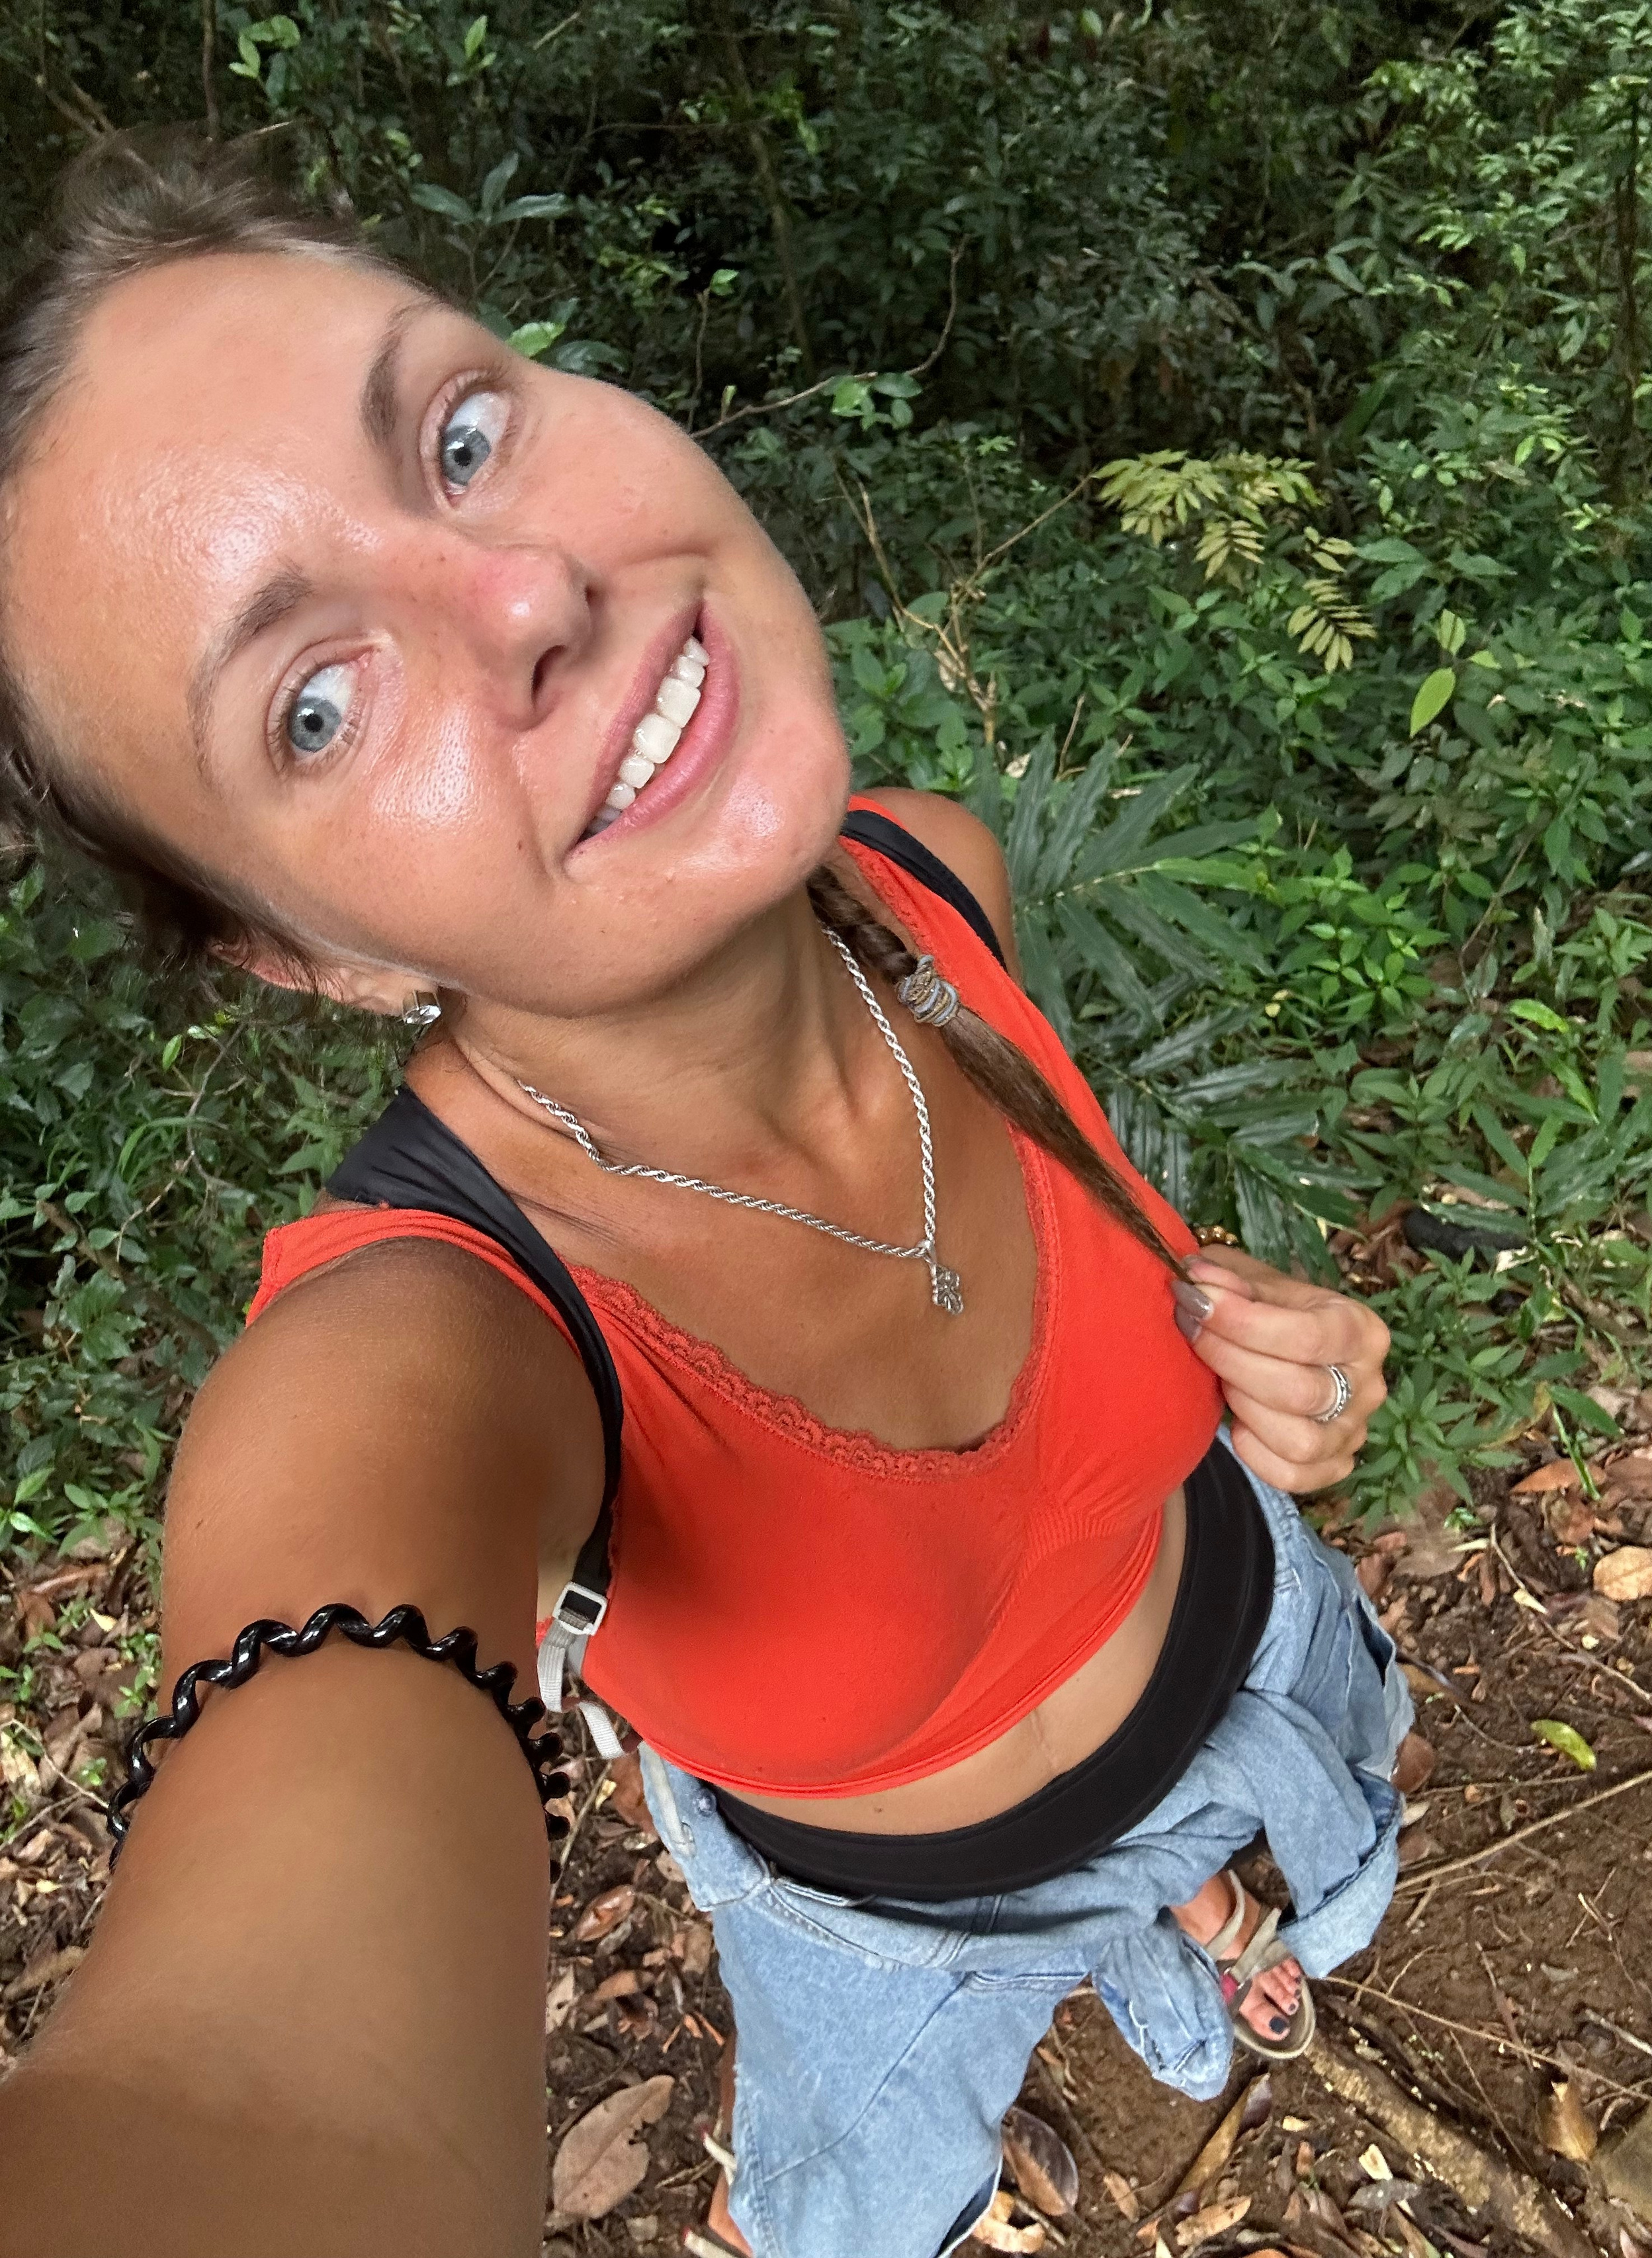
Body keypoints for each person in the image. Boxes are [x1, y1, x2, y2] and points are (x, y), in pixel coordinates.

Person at [0, 135, 1407, 2258]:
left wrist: (1256, 1356)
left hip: (1247, 1661)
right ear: (300, 952)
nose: (523, 600)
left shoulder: (933, 888)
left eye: (460, 438)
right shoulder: (428, 1359)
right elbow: (254, 2096)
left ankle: (1194, 1898)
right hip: (895, 1931)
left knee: (1265, 1855)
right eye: (316, 703)